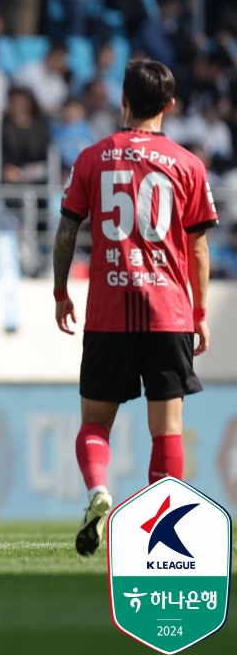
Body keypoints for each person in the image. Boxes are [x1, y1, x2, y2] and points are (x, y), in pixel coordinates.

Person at [52, 60, 217, 557]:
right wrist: (201, 313)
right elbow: (199, 251)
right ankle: (159, 537)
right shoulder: (189, 165)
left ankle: (99, 491)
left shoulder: (91, 159)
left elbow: (66, 232)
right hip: (168, 313)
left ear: (123, 99)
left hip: (108, 313)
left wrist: (61, 291)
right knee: (166, 430)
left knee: (95, 425)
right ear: (169, 106)